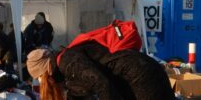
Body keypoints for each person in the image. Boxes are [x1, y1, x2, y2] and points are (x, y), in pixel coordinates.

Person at [26, 21, 175, 100]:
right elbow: (81, 92)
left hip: (142, 78)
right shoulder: (66, 71)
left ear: (44, 70)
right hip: (141, 74)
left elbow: (101, 83)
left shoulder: (68, 62)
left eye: (38, 77)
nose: (39, 82)